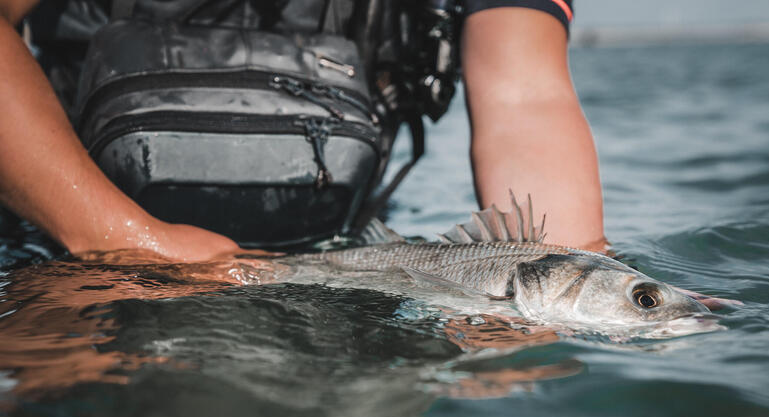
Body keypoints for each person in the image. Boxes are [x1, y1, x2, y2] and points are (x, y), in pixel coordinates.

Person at [0, 0, 604, 262]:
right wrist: (113, 235)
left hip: (339, 250)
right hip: (67, 244)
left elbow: (527, 99)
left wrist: (564, 285)